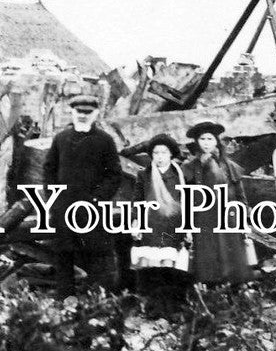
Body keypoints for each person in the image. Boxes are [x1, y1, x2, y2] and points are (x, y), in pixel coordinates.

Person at [42, 89, 124, 296]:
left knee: (94, 253)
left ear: (96, 113)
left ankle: (94, 298)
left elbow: (114, 174)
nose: (82, 115)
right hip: (64, 207)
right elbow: (49, 169)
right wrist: (54, 196)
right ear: (72, 112)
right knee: (64, 253)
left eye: (87, 112)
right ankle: (65, 296)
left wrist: (97, 198)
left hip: (92, 208)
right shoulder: (61, 139)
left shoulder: (105, 141)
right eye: (78, 111)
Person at [181, 121, 253, 284]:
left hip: (227, 215)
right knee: (209, 253)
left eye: (210, 139)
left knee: (231, 251)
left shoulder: (228, 165)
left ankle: (233, 288)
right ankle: (212, 289)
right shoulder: (190, 166)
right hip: (204, 216)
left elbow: (239, 192)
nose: (206, 143)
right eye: (202, 139)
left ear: (216, 141)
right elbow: (185, 195)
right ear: (197, 142)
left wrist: (244, 215)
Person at [132, 133, 192, 300]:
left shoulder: (180, 176)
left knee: (169, 265)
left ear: (171, 154)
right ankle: (149, 303)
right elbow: (137, 200)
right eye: (156, 153)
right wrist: (136, 222)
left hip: (172, 226)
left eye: (163, 152)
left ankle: (168, 304)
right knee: (150, 266)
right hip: (151, 225)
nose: (159, 157)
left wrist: (188, 227)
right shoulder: (144, 175)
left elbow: (186, 202)